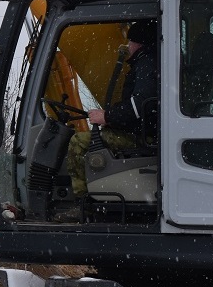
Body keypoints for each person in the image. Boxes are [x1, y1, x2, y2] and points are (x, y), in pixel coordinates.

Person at [64, 20, 161, 203]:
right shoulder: (150, 61)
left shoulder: (147, 63)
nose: (128, 46)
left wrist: (107, 116)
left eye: (130, 41)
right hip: (143, 131)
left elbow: (140, 105)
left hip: (142, 136)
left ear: (138, 43)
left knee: (78, 142)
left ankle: (83, 202)